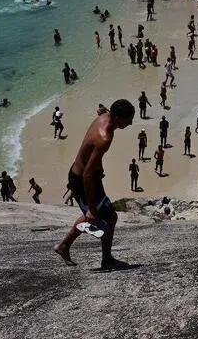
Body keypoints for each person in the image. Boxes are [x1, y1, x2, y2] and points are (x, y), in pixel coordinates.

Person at [54, 98, 135, 269]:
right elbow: (87, 174)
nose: (131, 123)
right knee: (106, 216)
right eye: (129, 119)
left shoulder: (105, 116)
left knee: (101, 215)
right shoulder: (104, 137)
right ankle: (106, 260)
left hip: (84, 175)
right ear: (119, 118)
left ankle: (64, 246)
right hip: (82, 180)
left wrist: (99, 167)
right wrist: (91, 207)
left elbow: (91, 162)